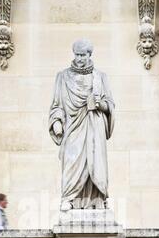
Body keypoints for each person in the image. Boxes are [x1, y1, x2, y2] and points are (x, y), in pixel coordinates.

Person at [49, 39, 115, 211]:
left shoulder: (100, 77)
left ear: (89, 55)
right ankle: (69, 198)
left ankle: (96, 198)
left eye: (82, 55)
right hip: (72, 126)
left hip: (94, 124)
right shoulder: (63, 77)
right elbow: (56, 105)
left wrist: (100, 105)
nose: (79, 58)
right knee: (72, 160)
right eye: (76, 55)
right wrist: (56, 122)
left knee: (95, 160)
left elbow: (110, 105)